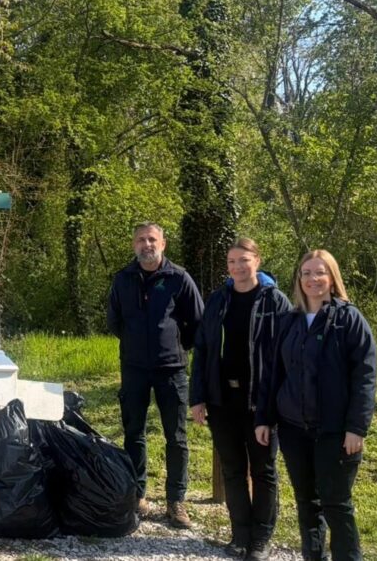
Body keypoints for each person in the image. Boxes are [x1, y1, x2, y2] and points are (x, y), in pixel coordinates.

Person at [255, 250, 377, 561]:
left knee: (336, 503)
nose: (312, 279)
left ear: (332, 278)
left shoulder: (349, 319)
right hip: (294, 429)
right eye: (306, 273)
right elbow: (273, 375)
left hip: (335, 432)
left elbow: (365, 378)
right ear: (299, 279)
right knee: (306, 501)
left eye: (320, 272)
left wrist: (356, 428)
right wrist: (264, 419)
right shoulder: (289, 321)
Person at [190, 238, 291, 560]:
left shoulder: (275, 301)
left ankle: (261, 539)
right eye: (231, 261)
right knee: (233, 470)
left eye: (243, 260)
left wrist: (278, 404)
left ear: (257, 262)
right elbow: (203, 350)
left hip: (260, 403)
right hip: (222, 401)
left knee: (263, 471)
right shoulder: (218, 300)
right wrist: (198, 397)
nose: (236, 267)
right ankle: (239, 534)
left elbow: (288, 356)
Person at [107, 222, 204, 528]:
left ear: (163, 244)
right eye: (140, 240)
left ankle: (176, 501)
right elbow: (114, 322)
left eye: (152, 239)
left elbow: (197, 322)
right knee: (134, 433)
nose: (146, 245)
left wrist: (175, 347)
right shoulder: (123, 279)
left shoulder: (179, 278)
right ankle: (138, 497)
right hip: (134, 368)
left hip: (171, 371)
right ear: (133, 245)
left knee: (176, 436)